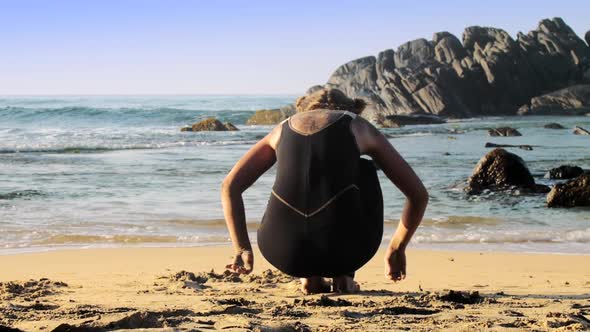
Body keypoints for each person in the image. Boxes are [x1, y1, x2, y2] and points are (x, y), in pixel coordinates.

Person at [221, 88, 428, 294]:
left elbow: (230, 187)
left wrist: (242, 248)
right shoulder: (357, 125)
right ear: (352, 108)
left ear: (305, 107)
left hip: (282, 251)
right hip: (347, 252)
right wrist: (397, 248)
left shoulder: (282, 128)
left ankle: (309, 279)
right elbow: (417, 195)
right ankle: (344, 277)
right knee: (365, 169)